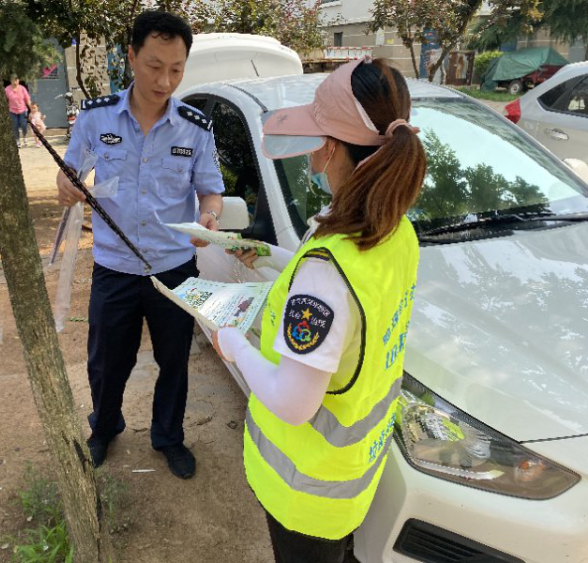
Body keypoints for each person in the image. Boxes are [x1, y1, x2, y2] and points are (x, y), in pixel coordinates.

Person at [211, 57, 427, 562]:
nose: (309, 158)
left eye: (315, 142)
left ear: (328, 148)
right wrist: (272, 259)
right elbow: (350, 309)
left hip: (305, 493)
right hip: (351, 476)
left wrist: (235, 345)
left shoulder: (327, 267)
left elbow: (292, 401)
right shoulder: (396, 231)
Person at [56, 10, 224, 479]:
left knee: (174, 361)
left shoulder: (195, 127)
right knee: (107, 363)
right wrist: (66, 182)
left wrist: (208, 216)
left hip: (174, 268)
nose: (164, 79)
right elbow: (71, 171)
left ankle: (168, 436)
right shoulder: (96, 119)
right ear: (130, 56)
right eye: (154, 65)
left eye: (176, 69)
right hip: (114, 268)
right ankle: (104, 427)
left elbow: (211, 191)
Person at [5, 75, 31, 147]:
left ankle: (25, 137)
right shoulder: (7, 89)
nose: (15, 82)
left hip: (23, 110)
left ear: (18, 80)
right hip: (12, 111)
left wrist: (31, 108)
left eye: (16, 80)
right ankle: (17, 140)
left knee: (24, 125)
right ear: (11, 81)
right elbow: (4, 100)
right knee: (15, 126)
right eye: (13, 80)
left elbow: (27, 99)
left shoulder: (22, 89)